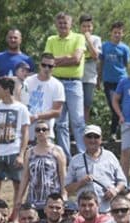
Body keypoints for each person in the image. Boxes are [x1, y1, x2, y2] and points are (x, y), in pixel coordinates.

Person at [44, 12, 87, 159]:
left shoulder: (79, 38)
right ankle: (65, 157)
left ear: (71, 24)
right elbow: (48, 61)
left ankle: (83, 156)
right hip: (56, 83)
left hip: (73, 83)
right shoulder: (51, 39)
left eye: (65, 23)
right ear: (56, 24)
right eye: (60, 23)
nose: (63, 26)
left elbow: (76, 59)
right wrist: (66, 58)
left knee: (78, 121)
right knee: (60, 123)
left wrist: (58, 60)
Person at [0, 77, 31, 202]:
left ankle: (15, 213)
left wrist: (21, 154)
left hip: (14, 151)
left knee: (18, 184)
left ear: (6, 89)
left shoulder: (21, 108)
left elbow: (25, 132)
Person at [65, 125, 128, 214]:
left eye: (96, 137)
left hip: (107, 210)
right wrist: (80, 183)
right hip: (84, 212)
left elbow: (123, 181)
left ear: (101, 139)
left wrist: (115, 191)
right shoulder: (75, 160)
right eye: (89, 136)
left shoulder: (110, 156)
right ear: (84, 139)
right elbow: (68, 188)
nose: (92, 140)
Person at [13, 119, 67, 212]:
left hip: (52, 198)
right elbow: (25, 176)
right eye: (38, 130)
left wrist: (64, 193)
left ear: (49, 131)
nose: (41, 132)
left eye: (44, 129)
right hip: (33, 198)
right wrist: (19, 197)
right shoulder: (29, 152)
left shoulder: (57, 150)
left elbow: (63, 175)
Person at [100, 22, 130, 140]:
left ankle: (117, 131)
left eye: (119, 33)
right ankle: (113, 131)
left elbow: (127, 64)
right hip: (108, 81)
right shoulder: (105, 46)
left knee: (122, 106)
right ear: (111, 33)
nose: (117, 35)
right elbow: (101, 62)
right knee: (114, 106)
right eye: (115, 33)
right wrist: (99, 78)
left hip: (121, 80)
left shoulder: (125, 48)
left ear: (123, 34)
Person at [23, 53, 65, 141]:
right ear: (39, 65)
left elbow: (57, 112)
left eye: (50, 66)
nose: (46, 68)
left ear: (54, 67)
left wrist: (36, 116)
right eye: (44, 65)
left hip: (45, 133)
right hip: (25, 132)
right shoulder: (28, 81)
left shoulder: (58, 85)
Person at [78, 14, 102, 123]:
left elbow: (95, 56)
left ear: (92, 27)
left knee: (87, 105)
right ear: (80, 27)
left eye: (89, 26)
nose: (86, 29)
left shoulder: (96, 39)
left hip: (90, 77)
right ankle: (74, 131)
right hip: (77, 77)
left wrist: (88, 40)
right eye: (84, 26)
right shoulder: (76, 38)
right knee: (76, 105)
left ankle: (85, 128)